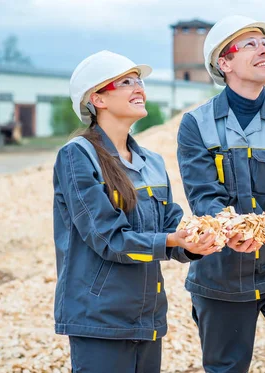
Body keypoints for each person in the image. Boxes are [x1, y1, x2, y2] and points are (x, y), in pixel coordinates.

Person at [53, 50, 219, 373]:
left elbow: (172, 225)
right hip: (99, 319)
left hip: (148, 317)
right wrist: (173, 240)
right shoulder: (77, 156)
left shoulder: (152, 162)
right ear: (97, 98)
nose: (139, 87)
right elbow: (108, 237)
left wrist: (197, 240)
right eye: (125, 82)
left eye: (139, 80)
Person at [177, 15, 265, 372]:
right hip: (219, 276)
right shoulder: (196, 124)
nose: (264, 49)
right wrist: (235, 231)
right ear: (224, 63)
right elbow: (204, 196)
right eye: (251, 44)